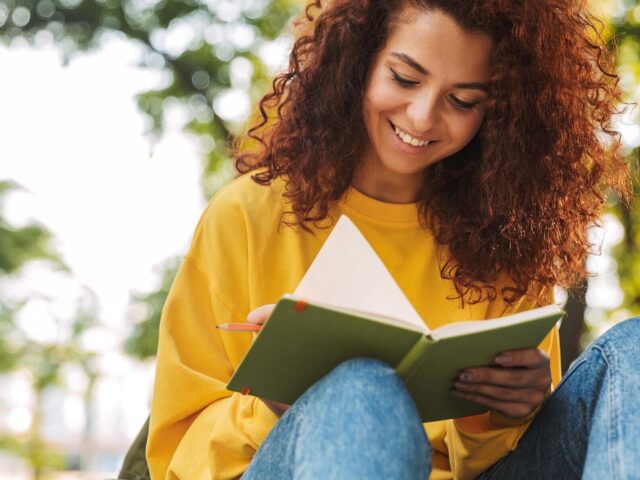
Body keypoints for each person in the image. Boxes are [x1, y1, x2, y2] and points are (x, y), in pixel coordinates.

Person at [144, 0, 636, 478]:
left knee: (632, 347)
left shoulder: (505, 242)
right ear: (360, 60)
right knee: (363, 388)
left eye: (462, 101)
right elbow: (176, 454)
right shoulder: (246, 216)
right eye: (404, 78)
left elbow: (504, 458)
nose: (422, 117)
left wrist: (507, 412)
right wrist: (279, 410)